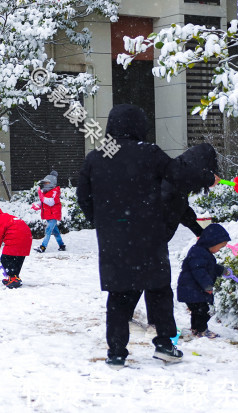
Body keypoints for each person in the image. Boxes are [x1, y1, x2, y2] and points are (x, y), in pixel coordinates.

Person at [76, 104, 219, 369]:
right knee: (158, 290)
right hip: (148, 236)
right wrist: (207, 178)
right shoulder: (149, 153)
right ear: (139, 126)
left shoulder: (95, 158)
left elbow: (83, 197)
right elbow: (178, 174)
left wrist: (102, 222)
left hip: (114, 240)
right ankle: (164, 345)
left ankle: (116, 352)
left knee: (118, 295)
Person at [145, 142, 219, 325]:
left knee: (149, 280)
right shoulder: (178, 178)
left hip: (151, 234)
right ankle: (157, 324)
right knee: (156, 282)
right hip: (154, 235)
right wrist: (208, 179)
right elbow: (177, 205)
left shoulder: (176, 175)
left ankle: (147, 321)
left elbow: (182, 209)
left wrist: (199, 232)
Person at [176, 223, 230, 339]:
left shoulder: (203, 253)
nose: (219, 250)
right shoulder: (199, 253)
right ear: (212, 242)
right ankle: (201, 330)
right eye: (220, 247)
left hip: (193, 290)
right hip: (192, 289)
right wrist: (207, 286)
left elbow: (208, 267)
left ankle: (196, 329)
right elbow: (199, 271)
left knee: (198, 311)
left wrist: (221, 270)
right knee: (202, 311)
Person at [0, 205, 33, 288]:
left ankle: (13, 278)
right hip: (27, 238)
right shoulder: (6, 217)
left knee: (5, 258)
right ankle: (14, 277)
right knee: (18, 258)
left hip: (15, 238)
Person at [34, 170, 66, 253]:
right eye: (45, 183)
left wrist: (41, 198)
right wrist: (38, 205)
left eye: (47, 183)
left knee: (48, 230)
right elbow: (44, 202)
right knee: (56, 232)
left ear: (52, 183)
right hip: (48, 215)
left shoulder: (55, 191)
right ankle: (62, 245)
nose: (45, 185)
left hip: (54, 215)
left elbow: (51, 202)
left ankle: (43, 247)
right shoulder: (46, 192)